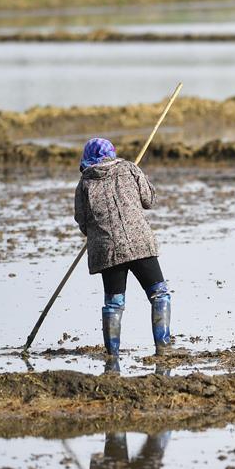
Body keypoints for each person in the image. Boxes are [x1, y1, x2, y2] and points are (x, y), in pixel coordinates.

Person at [74, 138, 172, 374]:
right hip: (139, 244)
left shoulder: (84, 183)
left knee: (114, 303)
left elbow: (82, 222)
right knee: (159, 294)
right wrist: (139, 176)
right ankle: (163, 348)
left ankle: (112, 357)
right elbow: (149, 200)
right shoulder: (129, 168)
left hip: (107, 250)